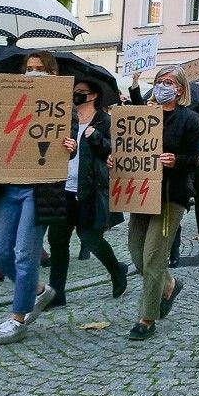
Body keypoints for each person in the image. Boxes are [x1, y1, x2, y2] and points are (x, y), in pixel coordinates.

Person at [0, 52, 67, 344]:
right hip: (8, 186)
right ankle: (38, 290)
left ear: (52, 73)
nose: (34, 72)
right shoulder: (11, 101)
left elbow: (65, 146)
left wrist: (69, 145)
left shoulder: (61, 105)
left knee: (24, 253)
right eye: (29, 68)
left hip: (40, 190)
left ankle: (18, 317)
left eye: (40, 68)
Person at [125, 65, 199, 340]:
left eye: (168, 82)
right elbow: (127, 145)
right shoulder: (145, 115)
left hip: (171, 195)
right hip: (141, 193)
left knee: (154, 256)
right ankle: (169, 285)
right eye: (159, 81)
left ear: (179, 89)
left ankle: (146, 318)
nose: (162, 86)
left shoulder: (189, 119)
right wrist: (116, 158)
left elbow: (196, 158)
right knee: (137, 254)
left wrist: (176, 160)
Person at [46, 79, 127, 308]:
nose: (77, 95)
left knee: (90, 238)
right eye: (75, 92)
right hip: (62, 188)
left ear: (93, 95)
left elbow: (115, 150)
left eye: (81, 92)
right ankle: (57, 294)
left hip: (89, 190)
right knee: (57, 241)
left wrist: (95, 136)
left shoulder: (105, 121)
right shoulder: (64, 119)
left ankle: (116, 269)